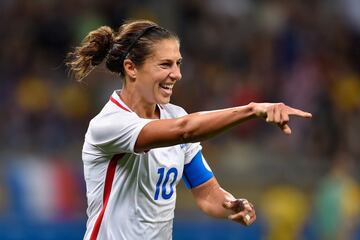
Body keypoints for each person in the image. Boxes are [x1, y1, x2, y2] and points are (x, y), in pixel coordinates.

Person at [66, 19, 312, 240]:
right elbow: (184, 130)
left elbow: (206, 192)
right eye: (165, 64)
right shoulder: (109, 124)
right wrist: (251, 110)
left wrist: (231, 204)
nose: (177, 74)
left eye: (178, 64)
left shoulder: (175, 114)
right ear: (131, 68)